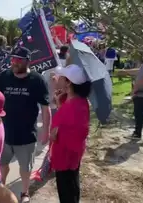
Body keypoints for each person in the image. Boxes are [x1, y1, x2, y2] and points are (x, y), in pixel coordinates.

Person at [0, 46, 51, 203]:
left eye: (18, 60)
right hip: (4, 133)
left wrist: (46, 131)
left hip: (27, 134)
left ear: (28, 62)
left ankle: (25, 192)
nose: (14, 63)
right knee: (2, 164)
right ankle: (1, 188)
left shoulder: (37, 80)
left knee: (25, 168)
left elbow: (45, 106)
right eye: (13, 59)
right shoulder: (5, 76)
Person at [50, 64, 91, 203]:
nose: (58, 78)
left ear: (69, 83)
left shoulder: (72, 106)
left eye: (62, 77)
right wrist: (59, 101)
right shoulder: (79, 100)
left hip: (65, 155)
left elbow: (54, 134)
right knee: (72, 185)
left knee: (66, 189)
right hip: (73, 154)